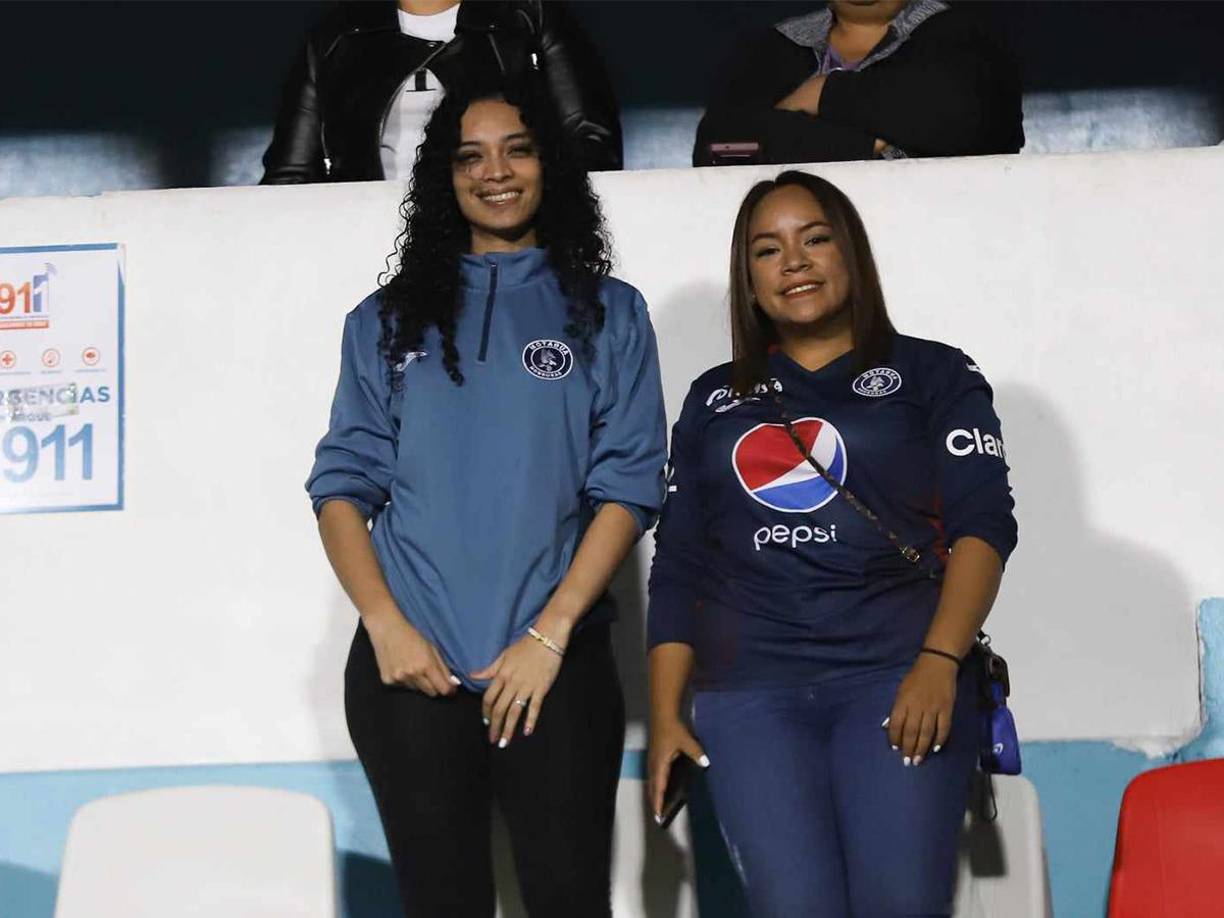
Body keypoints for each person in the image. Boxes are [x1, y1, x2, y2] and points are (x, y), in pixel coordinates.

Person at [306, 75, 665, 917]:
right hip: (410, 671)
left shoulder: (608, 312)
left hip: (554, 659)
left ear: (550, 165)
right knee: (442, 903)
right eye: (470, 156)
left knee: (568, 898)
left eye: (518, 149)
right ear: (445, 177)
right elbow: (340, 487)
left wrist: (550, 633)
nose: (494, 172)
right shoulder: (385, 320)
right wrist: (386, 626)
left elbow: (629, 482)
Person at [646, 170, 1018, 916]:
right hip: (751, 698)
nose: (794, 261)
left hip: (900, 682)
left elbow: (985, 527)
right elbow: (680, 563)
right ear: (748, 281)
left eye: (815, 238)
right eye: (767, 249)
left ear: (851, 255)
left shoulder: (934, 372)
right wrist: (663, 717)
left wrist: (940, 664)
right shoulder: (713, 397)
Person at [263, 0, 622, 184]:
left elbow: (591, 146)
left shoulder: (527, 16)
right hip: (368, 246)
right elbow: (291, 177)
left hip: (503, 246)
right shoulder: (335, 35)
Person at [693, 0, 1023, 166]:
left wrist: (822, 95)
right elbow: (720, 148)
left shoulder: (969, 38)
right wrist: (871, 146)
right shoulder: (773, 45)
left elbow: (964, 124)